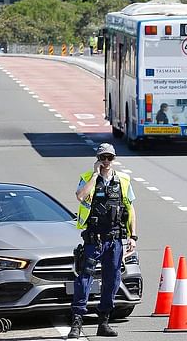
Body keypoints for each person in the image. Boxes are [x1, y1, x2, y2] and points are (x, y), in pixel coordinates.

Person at [69, 143, 137, 338]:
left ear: (114, 159)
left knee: (113, 280)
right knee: (84, 279)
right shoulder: (88, 178)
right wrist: (95, 175)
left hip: (115, 239)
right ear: (98, 159)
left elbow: (130, 209)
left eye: (109, 158)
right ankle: (76, 322)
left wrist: (133, 237)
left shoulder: (123, 180)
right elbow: (81, 196)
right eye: (102, 158)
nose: (106, 161)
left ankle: (103, 322)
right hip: (94, 239)